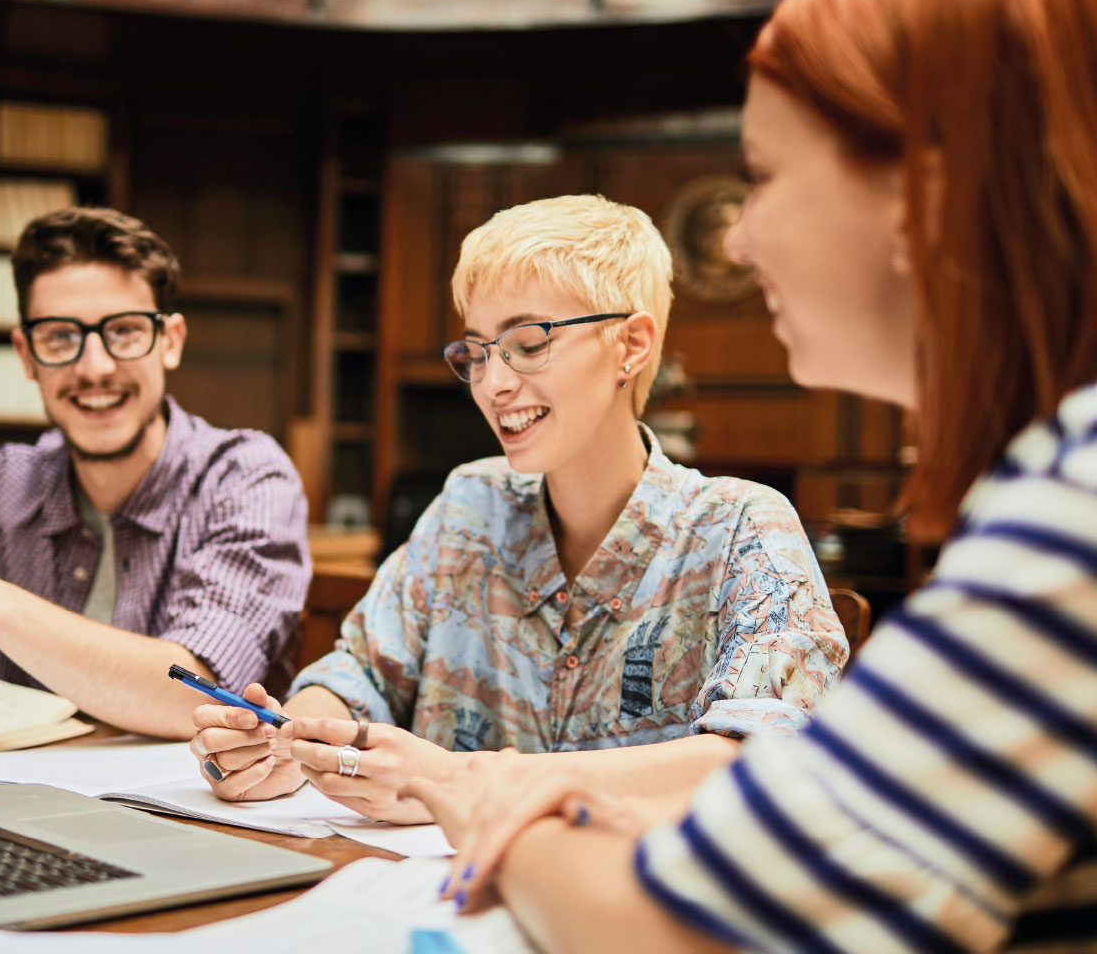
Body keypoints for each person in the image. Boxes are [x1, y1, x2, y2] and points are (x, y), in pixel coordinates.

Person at [408, 0, 1097, 950]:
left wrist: (499, 803)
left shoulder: (1074, 510)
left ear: (927, 196)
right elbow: (831, 835)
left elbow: (654, 932)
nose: (737, 238)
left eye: (765, 175)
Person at [188, 194, 847, 823]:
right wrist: (287, 744)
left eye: (529, 344)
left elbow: (764, 761)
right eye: (475, 353)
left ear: (632, 345)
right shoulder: (468, 507)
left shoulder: (739, 527)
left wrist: (463, 781)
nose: (494, 383)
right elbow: (359, 671)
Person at [0, 207, 312, 739]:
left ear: (170, 341)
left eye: (123, 332)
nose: (94, 367)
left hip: (201, 813)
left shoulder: (247, 478)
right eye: (60, 337)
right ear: (26, 354)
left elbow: (195, 692)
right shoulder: (7, 483)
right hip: (7, 806)